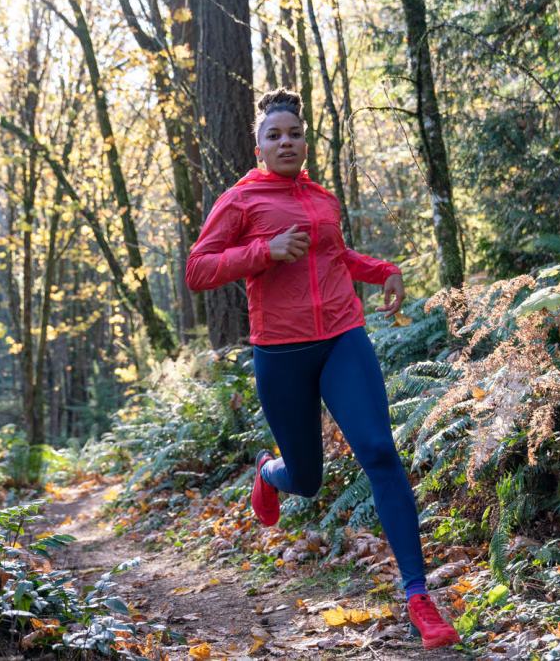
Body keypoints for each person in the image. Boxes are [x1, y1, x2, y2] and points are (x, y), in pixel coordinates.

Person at [185, 89, 461, 650]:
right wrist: (263, 251)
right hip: (282, 352)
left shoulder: (321, 199)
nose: (286, 142)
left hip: (343, 338)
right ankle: (269, 472)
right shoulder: (240, 201)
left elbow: (334, 258)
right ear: (258, 145)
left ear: (304, 141)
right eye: (274, 135)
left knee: (380, 454)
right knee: (307, 481)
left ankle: (418, 597)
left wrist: (383, 270)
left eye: (294, 133)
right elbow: (197, 270)